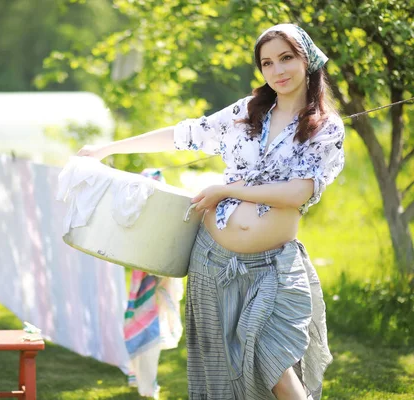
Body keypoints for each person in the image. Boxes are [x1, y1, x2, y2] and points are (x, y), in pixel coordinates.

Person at [78, 24, 344, 400]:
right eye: (267, 63)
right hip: (211, 260)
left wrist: (226, 189)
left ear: (307, 60)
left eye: (287, 58)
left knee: (274, 360)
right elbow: (185, 133)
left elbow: (300, 191)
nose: (278, 71)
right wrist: (108, 148)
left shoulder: (324, 127)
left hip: (270, 266)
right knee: (221, 373)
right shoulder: (248, 112)